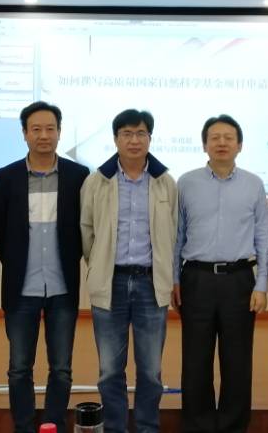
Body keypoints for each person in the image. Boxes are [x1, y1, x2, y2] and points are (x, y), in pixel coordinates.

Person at [0, 101, 89, 433]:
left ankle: (53, 424)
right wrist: (17, 263)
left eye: (50, 129)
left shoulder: (78, 176)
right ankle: (23, 426)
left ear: (60, 132)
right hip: (22, 288)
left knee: (61, 367)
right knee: (19, 367)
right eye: (36, 129)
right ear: (24, 133)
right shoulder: (6, 177)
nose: (43, 135)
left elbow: (83, 229)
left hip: (62, 286)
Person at [80, 109, 178, 433]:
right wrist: (98, 266)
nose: (134, 140)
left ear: (150, 138)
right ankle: (115, 428)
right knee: (110, 370)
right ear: (115, 139)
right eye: (126, 134)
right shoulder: (97, 181)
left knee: (150, 371)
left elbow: (174, 233)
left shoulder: (165, 183)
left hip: (151, 284)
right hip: (111, 282)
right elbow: (87, 232)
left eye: (140, 134)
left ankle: (148, 427)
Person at [171, 114, 268, 433]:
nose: (222, 142)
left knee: (237, 361)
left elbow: (263, 236)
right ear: (205, 145)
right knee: (195, 360)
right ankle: (197, 425)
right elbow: (177, 235)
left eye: (229, 137)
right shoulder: (186, 182)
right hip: (196, 279)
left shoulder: (254, 184)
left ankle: (233, 426)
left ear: (240, 145)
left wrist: (262, 284)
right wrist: (174, 279)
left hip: (240, 280)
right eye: (215, 137)